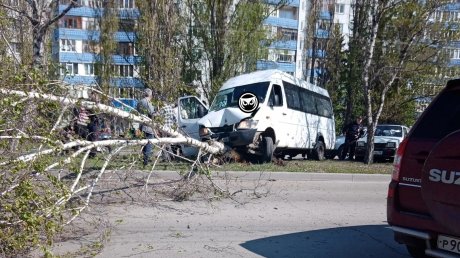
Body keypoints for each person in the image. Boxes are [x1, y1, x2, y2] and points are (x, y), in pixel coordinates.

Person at [136, 88, 156, 166]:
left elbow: (137, 111)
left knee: (143, 143)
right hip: (148, 126)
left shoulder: (140, 102)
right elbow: (152, 113)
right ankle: (146, 160)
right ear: (150, 94)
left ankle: (144, 159)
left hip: (141, 125)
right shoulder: (148, 102)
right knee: (149, 143)